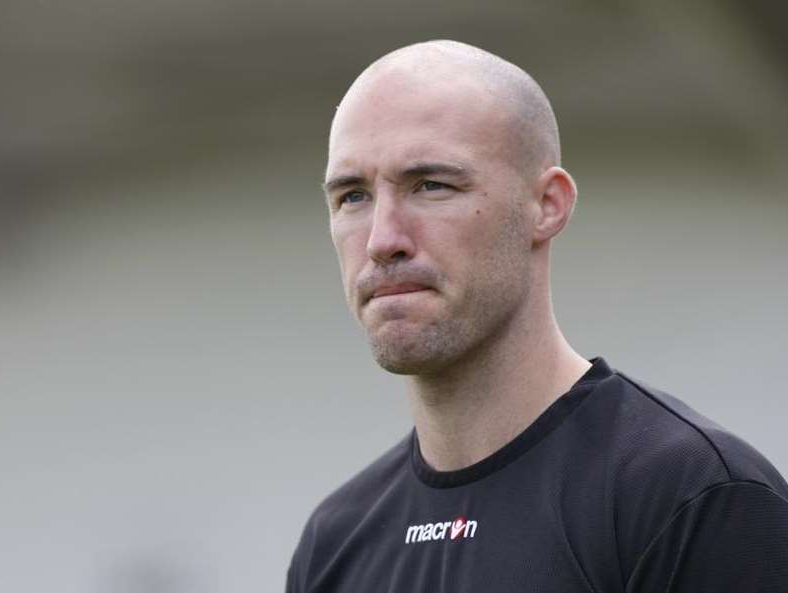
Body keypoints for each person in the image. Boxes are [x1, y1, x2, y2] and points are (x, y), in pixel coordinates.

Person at [286, 40, 788, 592]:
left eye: (431, 185)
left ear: (547, 205)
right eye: (352, 197)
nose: (382, 240)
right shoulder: (333, 544)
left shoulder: (691, 497)